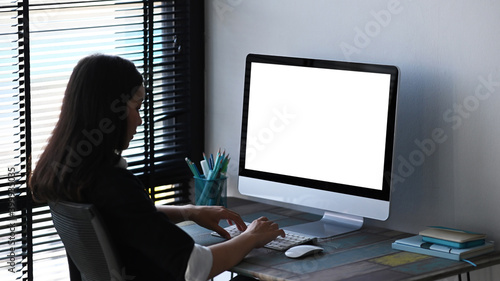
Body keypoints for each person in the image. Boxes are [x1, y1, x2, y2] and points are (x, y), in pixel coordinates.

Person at [29, 54, 285, 281]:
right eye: (137, 108)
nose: (140, 121)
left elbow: (118, 215)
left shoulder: (65, 171)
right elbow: (195, 267)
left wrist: (188, 212)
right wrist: (252, 236)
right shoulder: (113, 183)